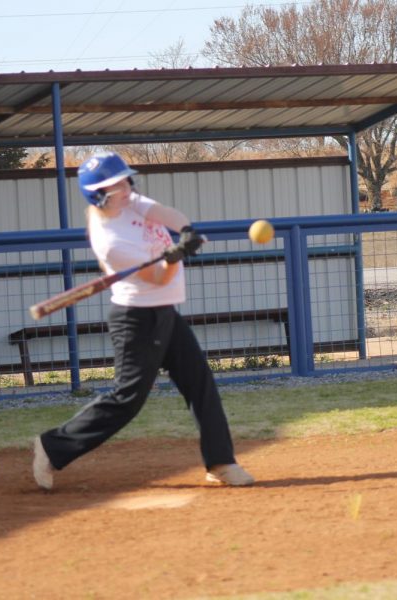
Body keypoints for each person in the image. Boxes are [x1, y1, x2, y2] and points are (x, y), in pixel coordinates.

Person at [32, 151, 254, 490]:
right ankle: (52, 446)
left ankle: (221, 462)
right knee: (127, 399)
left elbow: (161, 212)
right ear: (99, 195)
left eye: (123, 179)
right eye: (115, 184)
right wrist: (174, 259)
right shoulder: (110, 241)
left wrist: (186, 230)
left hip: (165, 312)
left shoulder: (129, 202)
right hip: (137, 318)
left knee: (200, 384)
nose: (125, 186)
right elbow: (159, 278)